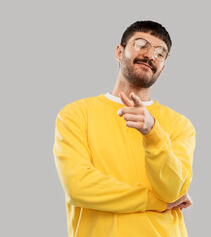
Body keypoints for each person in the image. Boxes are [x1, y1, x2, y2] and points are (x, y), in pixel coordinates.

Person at [53, 20, 196, 237]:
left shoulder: (180, 125)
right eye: (141, 45)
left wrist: (153, 133)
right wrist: (155, 201)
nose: (150, 55)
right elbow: (78, 186)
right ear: (119, 52)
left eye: (160, 53)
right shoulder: (76, 114)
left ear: (163, 67)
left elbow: (174, 190)